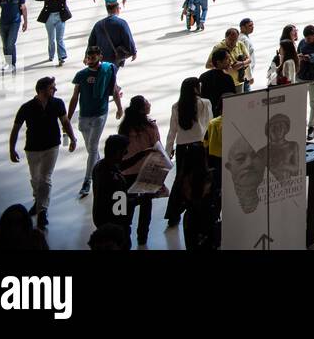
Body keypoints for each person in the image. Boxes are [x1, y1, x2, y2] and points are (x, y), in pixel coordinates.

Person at [9, 76, 77, 230]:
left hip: (51, 146)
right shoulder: (26, 107)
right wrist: (12, 149)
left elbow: (65, 122)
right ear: (42, 89)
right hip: (32, 148)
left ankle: (42, 211)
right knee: (35, 179)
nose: (55, 89)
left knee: (45, 178)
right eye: (52, 87)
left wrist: (72, 139)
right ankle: (38, 200)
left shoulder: (58, 103)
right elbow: (16, 129)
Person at [67, 45, 124, 197]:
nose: (90, 60)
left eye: (93, 57)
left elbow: (113, 90)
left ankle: (87, 180)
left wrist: (119, 108)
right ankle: (100, 166)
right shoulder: (81, 75)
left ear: (100, 56)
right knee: (90, 148)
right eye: (88, 57)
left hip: (99, 113)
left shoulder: (107, 70)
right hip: (84, 115)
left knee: (92, 147)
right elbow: (74, 97)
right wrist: (68, 116)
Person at [115, 95, 165, 246]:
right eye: (147, 102)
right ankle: (142, 236)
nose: (150, 104)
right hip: (145, 170)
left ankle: (125, 232)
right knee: (146, 204)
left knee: (126, 204)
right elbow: (157, 147)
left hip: (127, 171)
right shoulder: (150, 126)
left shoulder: (124, 126)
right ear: (143, 108)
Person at [164, 77, 211, 229]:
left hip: (183, 147)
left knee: (180, 179)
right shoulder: (205, 103)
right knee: (200, 178)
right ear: (196, 88)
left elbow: (172, 131)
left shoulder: (176, 106)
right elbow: (209, 124)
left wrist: (168, 150)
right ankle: (198, 208)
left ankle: (174, 214)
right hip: (200, 145)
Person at [35, 0, 75, 67]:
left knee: (59, 38)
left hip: (60, 17)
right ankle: (51, 55)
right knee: (51, 38)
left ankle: (62, 57)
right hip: (49, 17)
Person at [87, 1, 136, 66]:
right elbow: (128, 39)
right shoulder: (121, 23)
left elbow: (91, 41)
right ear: (117, 9)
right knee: (112, 73)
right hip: (116, 57)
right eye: (119, 8)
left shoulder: (98, 24)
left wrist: (87, 56)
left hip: (101, 58)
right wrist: (133, 52)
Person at [206, 27, 250, 93]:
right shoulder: (218, 47)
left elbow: (249, 60)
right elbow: (208, 65)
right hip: (224, 83)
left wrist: (241, 63)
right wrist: (224, 67)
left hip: (239, 82)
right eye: (230, 39)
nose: (233, 42)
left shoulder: (240, 44)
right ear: (225, 38)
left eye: (235, 40)